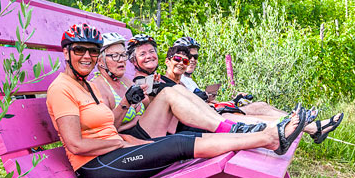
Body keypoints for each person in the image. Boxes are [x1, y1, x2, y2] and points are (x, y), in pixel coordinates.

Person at [46, 23, 308, 178]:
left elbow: (109, 128)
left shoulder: (87, 86)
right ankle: (269, 138)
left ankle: (268, 135)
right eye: (80, 50)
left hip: (116, 152)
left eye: (92, 51)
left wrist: (128, 135)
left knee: (183, 138)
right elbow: (76, 145)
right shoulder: (61, 89)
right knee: (178, 144)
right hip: (96, 167)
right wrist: (117, 141)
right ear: (66, 53)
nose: (87, 56)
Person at [94, 32, 267, 141]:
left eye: (122, 55)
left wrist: (152, 96)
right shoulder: (107, 85)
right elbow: (109, 129)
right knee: (173, 93)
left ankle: (238, 127)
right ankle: (234, 128)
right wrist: (130, 103)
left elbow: (148, 109)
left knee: (176, 91)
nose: (121, 60)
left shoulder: (128, 81)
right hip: (140, 137)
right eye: (115, 56)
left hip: (161, 127)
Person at [171, 36, 344, 144]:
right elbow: (193, 108)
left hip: (214, 113)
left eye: (195, 57)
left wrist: (233, 100)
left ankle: (311, 126)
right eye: (186, 57)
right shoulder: (176, 81)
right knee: (256, 116)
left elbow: (206, 103)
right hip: (208, 122)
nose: (191, 60)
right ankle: (311, 127)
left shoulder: (188, 80)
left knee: (260, 105)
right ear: (171, 59)